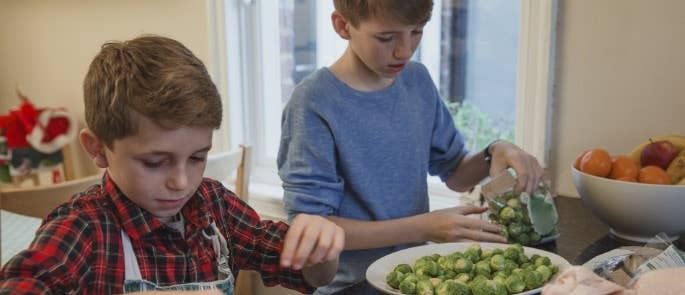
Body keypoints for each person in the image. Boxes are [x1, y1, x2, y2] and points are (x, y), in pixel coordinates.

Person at [0, 35, 344, 294]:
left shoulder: (215, 206)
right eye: (154, 162)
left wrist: (321, 246)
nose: (182, 181)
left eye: (197, 157)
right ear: (98, 148)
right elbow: (25, 281)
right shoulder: (84, 228)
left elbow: (312, 275)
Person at [277, 0, 544, 293]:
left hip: (415, 279)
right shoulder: (314, 103)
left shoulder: (416, 80)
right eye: (386, 37)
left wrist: (495, 150)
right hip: (351, 286)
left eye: (416, 32)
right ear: (343, 26)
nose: (404, 50)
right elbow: (314, 227)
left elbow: (455, 172)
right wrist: (424, 227)